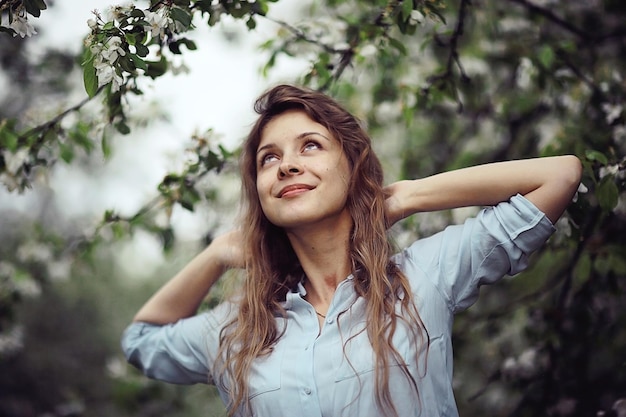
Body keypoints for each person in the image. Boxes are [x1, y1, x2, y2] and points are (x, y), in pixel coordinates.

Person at [121, 84, 583, 417]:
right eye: (270, 158)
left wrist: (404, 198)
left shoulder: (423, 278)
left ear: (352, 166)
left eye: (310, 146)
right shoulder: (240, 331)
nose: (288, 166)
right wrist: (218, 252)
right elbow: (139, 342)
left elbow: (559, 176)